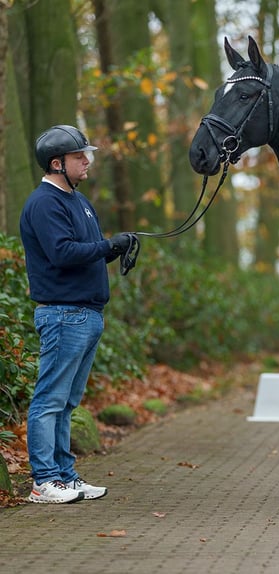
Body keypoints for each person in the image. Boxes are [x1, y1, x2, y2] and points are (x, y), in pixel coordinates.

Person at [19, 125, 133, 504]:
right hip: (63, 315)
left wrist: (113, 248)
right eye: (79, 156)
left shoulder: (78, 201)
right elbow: (63, 253)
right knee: (50, 400)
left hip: (86, 314)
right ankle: (44, 481)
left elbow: (86, 248)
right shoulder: (45, 203)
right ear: (57, 163)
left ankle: (66, 476)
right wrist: (106, 246)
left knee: (68, 403)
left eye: (87, 155)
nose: (87, 161)